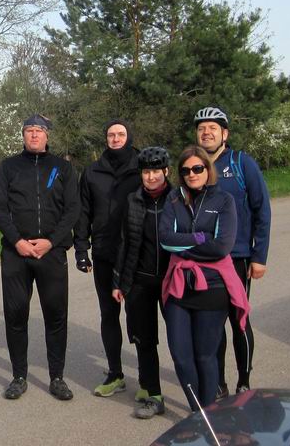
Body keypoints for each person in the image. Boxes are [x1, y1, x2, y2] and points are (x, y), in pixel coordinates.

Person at [0, 114, 80, 400]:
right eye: (28, 130)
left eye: (39, 131)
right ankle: (19, 376)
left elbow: (72, 210)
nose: (33, 135)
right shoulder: (8, 167)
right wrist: (17, 240)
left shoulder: (63, 168)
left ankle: (57, 377)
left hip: (50, 253)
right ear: (23, 135)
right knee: (16, 315)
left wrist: (51, 242)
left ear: (47, 136)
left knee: (56, 316)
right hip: (17, 253)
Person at [159, 145, 250, 411]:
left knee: (204, 356)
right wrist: (200, 238)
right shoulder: (174, 199)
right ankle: (198, 411)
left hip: (213, 287)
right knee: (180, 356)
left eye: (197, 168)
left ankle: (206, 414)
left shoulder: (224, 201)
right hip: (179, 287)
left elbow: (222, 247)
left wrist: (185, 246)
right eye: (186, 170)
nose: (191, 174)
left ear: (207, 170)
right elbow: (165, 238)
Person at [194, 106, 272, 396]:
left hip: (237, 257)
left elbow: (262, 210)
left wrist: (259, 256)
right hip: (204, 260)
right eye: (202, 128)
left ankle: (244, 381)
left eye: (213, 128)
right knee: (212, 323)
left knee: (238, 320)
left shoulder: (241, 163)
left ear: (224, 133)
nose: (207, 132)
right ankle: (218, 383)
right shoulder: (193, 166)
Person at [73, 119, 140, 397]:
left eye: (120, 134)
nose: (115, 138)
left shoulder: (142, 167)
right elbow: (83, 213)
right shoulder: (92, 172)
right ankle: (115, 373)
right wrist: (81, 249)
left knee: (138, 317)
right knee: (108, 315)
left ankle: (148, 380)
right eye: (111, 134)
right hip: (103, 252)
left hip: (137, 254)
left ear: (129, 137)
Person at [112, 147, 172, 419]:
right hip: (140, 280)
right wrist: (119, 282)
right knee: (144, 340)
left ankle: (201, 394)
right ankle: (153, 393)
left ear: (166, 172)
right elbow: (125, 243)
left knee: (182, 340)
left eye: (155, 171)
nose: (150, 177)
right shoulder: (133, 200)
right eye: (146, 172)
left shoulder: (178, 199)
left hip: (174, 281)